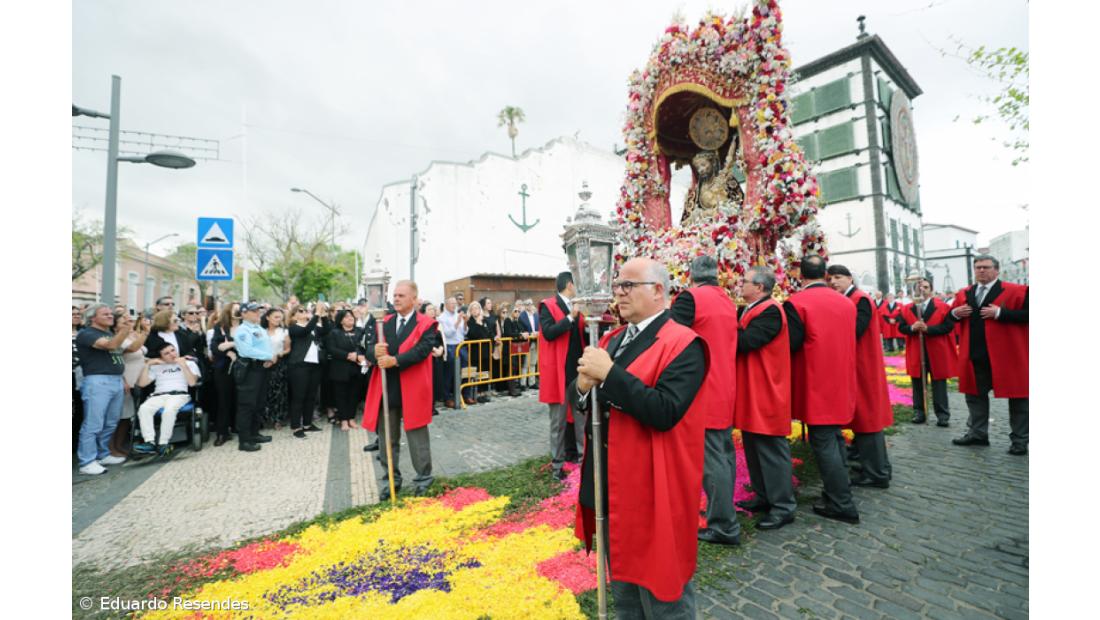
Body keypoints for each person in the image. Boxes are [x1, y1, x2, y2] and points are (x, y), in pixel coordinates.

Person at [569, 257, 707, 617]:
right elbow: (583, 397)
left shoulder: (685, 343)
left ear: (658, 291)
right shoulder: (613, 339)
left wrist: (610, 375)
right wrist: (583, 386)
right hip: (615, 484)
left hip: (654, 485)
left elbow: (664, 411)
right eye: (617, 285)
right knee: (625, 591)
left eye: (628, 285)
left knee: (662, 595)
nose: (619, 292)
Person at [669, 255, 740, 546]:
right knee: (724, 453)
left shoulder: (690, 299)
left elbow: (672, 337)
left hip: (703, 387)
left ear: (690, 275)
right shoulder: (726, 299)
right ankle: (724, 512)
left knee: (712, 460)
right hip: (725, 384)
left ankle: (723, 525)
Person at [785, 255, 859, 524]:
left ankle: (842, 502)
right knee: (835, 437)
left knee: (825, 440)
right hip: (841, 377)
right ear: (825, 274)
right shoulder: (845, 302)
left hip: (816, 380)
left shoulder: (796, 302)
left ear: (799, 274)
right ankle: (839, 492)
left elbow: (791, 344)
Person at [363, 280, 441, 500]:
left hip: (413, 388)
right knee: (387, 438)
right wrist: (374, 351)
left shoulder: (427, 323)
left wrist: (394, 360)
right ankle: (391, 480)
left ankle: (424, 478)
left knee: (417, 438)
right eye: (395, 295)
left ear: (414, 299)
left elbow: (422, 351)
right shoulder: (382, 322)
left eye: (401, 295)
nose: (396, 298)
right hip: (387, 389)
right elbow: (367, 349)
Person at [733, 266, 797, 530]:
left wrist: (721, 327)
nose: (740, 285)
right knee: (752, 444)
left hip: (768, 389)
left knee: (771, 448)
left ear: (759, 287)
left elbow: (747, 341)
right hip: (752, 388)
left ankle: (783, 506)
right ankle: (763, 495)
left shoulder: (771, 310)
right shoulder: (749, 309)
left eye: (744, 281)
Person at [949, 255, 1029, 454]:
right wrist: (954, 313)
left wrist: (1001, 313)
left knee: (1018, 398)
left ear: (996, 269)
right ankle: (977, 434)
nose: (981, 271)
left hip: (1008, 355)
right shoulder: (965, 292)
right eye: (977, 267)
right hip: (975, 354)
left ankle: (1019, 441)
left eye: (985, 267)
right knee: (975, 396)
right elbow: (948, 317)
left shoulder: (1018, 291)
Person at [828, 265, 895, 489]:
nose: (833, 282)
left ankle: (876, 473)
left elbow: (855, 329)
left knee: (868, 420)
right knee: (864, 420)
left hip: (863, 366)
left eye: (838, 277)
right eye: (830, 279)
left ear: (849, 278)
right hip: (856, 365)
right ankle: (877, 467)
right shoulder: (851, 298)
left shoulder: (860, 299)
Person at [539, 271, 587, 481]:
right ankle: (557, 466)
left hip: (578, 372)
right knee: (557, 423)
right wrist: (570, 317)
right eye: (577, 284)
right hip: (558, 372)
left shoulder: (579, 306)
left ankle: (584, 460)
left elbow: (582, 336)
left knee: (581, 420)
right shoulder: (547, 305)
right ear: (569, 284)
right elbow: (549, 332)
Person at [75, 304, 133, 475]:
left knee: (111, 422)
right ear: (93, 317)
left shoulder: (108, 333)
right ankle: (87, 461)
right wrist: (124, 331)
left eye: (110, 314)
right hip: (97, 381)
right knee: (93, 423)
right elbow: (109, 346)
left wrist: (121, 379)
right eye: (105, 314)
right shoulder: (87, 333)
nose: (110, 316)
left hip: (115, 381)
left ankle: (103, 454)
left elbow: (120, 353)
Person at [898, 279, 957, 426]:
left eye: (925, 287)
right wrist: (912, 328)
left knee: (939, 384)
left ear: (931, 289)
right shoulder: (906, 309)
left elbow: (948, 326)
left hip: (936, 350)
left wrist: (928, 329)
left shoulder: (942, 307)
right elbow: (901, 327)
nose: (922, 290)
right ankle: (919, 412)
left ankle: (942, 414)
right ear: (914, 290)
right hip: (916, 350)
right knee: (917, 382)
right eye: (919, 287)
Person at [132, 342, 201, 456]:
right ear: (161, 357)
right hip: (158, 395)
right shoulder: (157, 367)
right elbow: (142, 384)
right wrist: (147, 365)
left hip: (179, 394)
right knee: (144, 408)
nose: (172, 354)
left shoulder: (190, 363)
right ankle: (150, 442)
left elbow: (192, 383)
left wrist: (183, 365)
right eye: (167, 353)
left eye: (173, 350)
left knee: (169, 411)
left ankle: (163, 443)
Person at [233, 302, 275, 452]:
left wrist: (269, 358)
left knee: (259, 403)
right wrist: (269, 356)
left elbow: (266, 346)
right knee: (247, 405)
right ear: (243, 314)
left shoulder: (258, 328)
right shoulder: (242, 330)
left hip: (262, 368)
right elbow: (247, 350)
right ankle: (244, 440)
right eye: (253, 311)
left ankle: (254, 433)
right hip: (250, 369)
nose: (258, 313)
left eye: (258, 310)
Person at [110, 310, 149, 458]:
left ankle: (120, 445)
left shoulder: (131, 335)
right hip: (126, 379)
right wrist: (145, 333)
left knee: (127, 416)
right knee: (118, 416)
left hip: (138, 380)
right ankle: (111, 448)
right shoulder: (117, 339)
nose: (128, 324)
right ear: (115, 327)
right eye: (124, 322)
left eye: (129, 321)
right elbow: (133, 348)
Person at [287, 304, 328, 438]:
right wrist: (316, 315)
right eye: (301, 311)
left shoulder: (314, 326)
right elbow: (304, 331)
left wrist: (323, 315)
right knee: (299, 396)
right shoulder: (293, 328)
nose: (304, 312)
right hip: (299, 365)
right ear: (294, 316)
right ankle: (295, 426)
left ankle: (307, 424)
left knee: (311, 396)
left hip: (314, 365)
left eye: (305, 310)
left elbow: (327, 330)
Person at [326, 309, 366, 431]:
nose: (350, 318)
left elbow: (364, 346)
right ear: (341, 320)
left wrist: (358, 355)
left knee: (354, 395)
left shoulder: (360, 331)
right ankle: (343, 420)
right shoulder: (334, 333)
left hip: (356, 369)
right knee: (341, 395)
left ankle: (351, 418)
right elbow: (331, 349)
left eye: (351, 316)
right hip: (340, 369)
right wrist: (349, 356)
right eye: (347, 317)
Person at [209, 303, 240, 446]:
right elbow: (214, 347)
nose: (238, 311)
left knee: (240, 398)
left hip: (243, 367)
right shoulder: (220, 327)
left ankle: (237, 426)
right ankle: (222, 432)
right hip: (224, 368)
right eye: (235, 309)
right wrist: (228, 352)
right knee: (224, 399)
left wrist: (230, 345)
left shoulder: (247, 326)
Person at [438, 297, 473, 408]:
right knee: (449, 373)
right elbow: (448, 334)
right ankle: (448, 397)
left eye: (455, 303)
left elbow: (464, 331)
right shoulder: (442, 318)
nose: (454, 305)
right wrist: (458, 322)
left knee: (465, 370)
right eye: (451, 303)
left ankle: (466, 395)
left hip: (461, 345)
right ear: (446, 305)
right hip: (450, 346)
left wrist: (465, 323)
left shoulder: (458, 315)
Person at [262, 307, 291, 429]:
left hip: (279, 364)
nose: (278, 319)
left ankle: (278, 419)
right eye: (276, 317)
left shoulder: (284, 332)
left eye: (280, 317)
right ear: (268, 317)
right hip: (263, 364)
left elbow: (288, 349)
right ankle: (264, 418)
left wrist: (279, 354)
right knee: (264, 392)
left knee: (279, 393)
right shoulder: (261, 331)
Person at [464, 301, 495, 403]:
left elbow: (488, 333)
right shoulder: (470, 322)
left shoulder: (484, 320)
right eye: (473, 308)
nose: (475, 310)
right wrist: (477, 323)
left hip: (485, 350)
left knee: (485, 371)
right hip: (475, 352)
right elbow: (473, 335)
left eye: (477, 308)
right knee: (476, 373)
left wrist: (494, 338)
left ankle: (485, 392)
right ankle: (476, 393)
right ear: (470, 311)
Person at [500, 303, 524, 396]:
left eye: (518, 311)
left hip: (516, 349)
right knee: (510, 369)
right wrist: (520, 335)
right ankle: (511, 389)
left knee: (514, 368)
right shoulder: (507, 320)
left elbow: (521, 329)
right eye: (515, 311)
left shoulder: (516, 321)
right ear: (511, 312)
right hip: (509, 349)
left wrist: (522, 333)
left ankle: (513, 387)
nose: (517, 313)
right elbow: (508, 333)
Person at [519, 299, 540, 390]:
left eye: (531, 304)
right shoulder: (522, 316)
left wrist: (538, 333)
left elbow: (539, 326)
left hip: (535, 341)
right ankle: (523, 383)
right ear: (525, 305)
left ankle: (532, 382)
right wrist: (531, 333)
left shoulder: (536, 315)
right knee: (524, 364)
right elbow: (521, 329)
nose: (529, 305)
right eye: (527, 304)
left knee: (533, 362)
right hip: (527, 341)